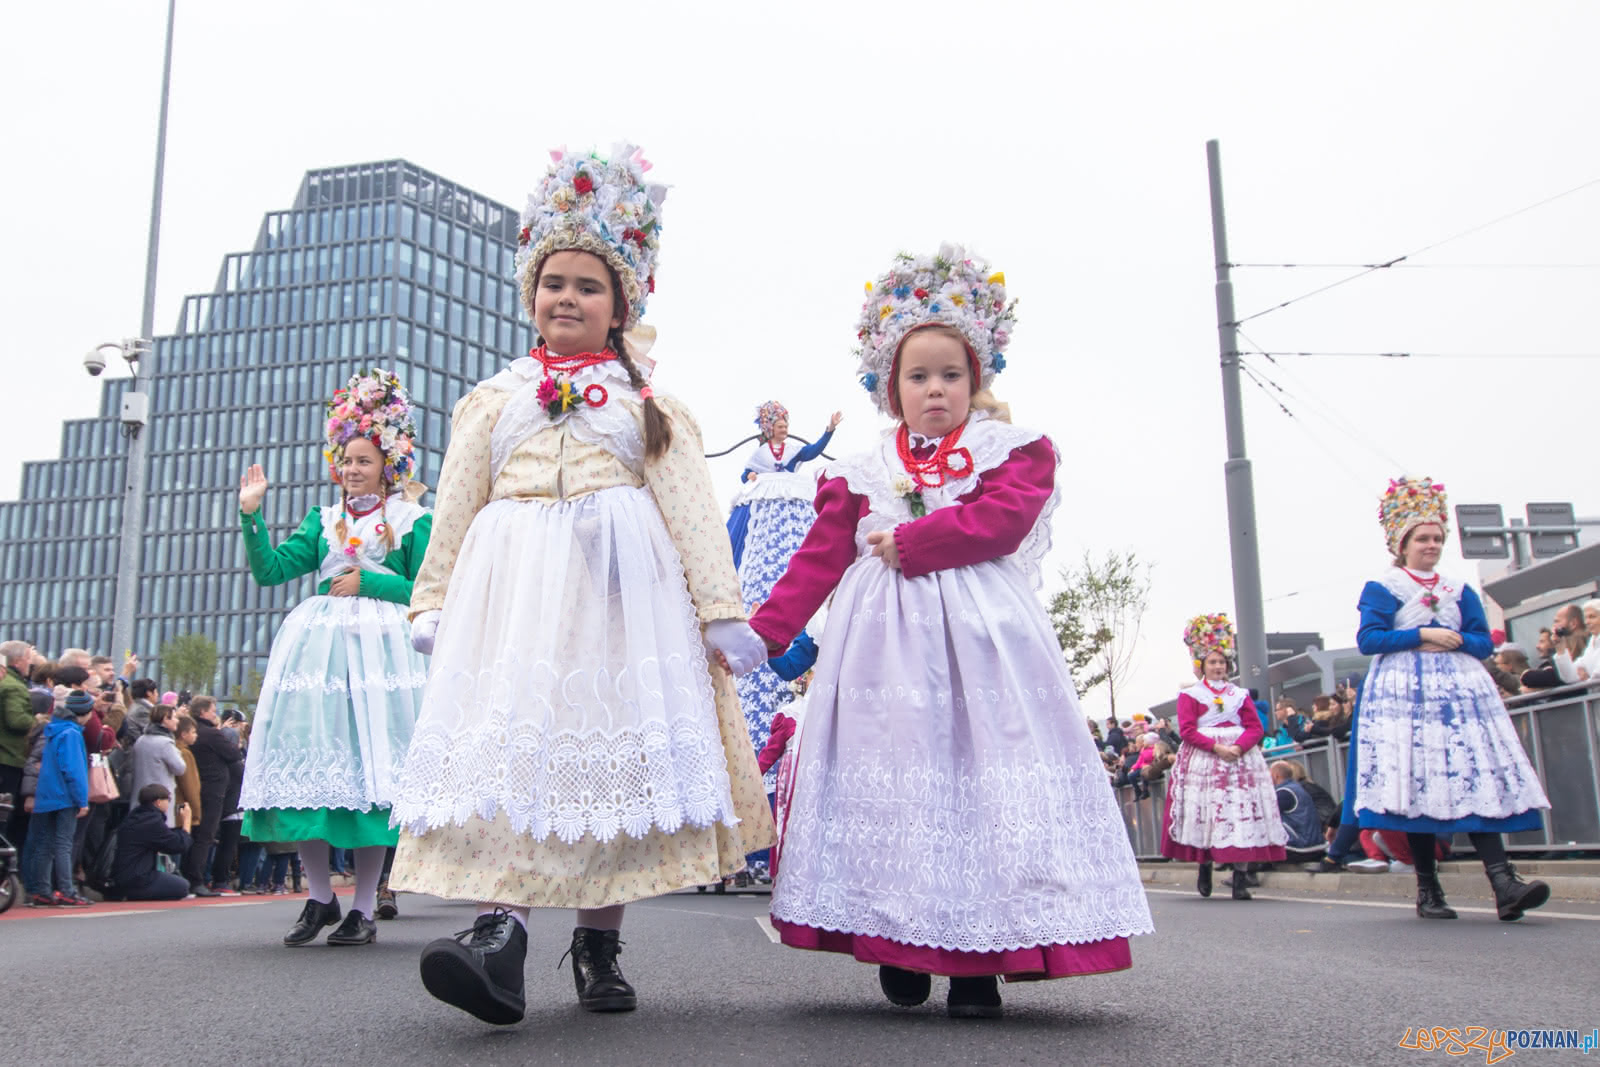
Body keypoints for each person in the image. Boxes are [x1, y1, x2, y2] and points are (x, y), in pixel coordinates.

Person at [387, 145, 774, 1025]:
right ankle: (500, 932)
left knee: (608, 773)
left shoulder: (651, 407)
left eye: (588, 286)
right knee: (511, 752)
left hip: (616, 615)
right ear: (531, 294)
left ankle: (598, 944)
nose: (567, 297)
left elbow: (690, 510)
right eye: (553, 281)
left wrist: (718, 612)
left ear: (620, 304)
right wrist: (432, 597)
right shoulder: (492, 399)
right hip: (512, 607)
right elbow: (456, 502)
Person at [748, 244, 1152, 1020]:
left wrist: (917, 545)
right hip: (882, 660)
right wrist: (761, 634)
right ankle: (895, 940)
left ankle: (978, 966)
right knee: (896, 797)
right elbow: (818, 558)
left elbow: (1004, 521)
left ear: (977, 380)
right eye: (918, 376)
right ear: (889, 386)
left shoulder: (1013, 451)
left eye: (951, 375)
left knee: (981, 792)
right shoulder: (859, 470)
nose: (935, 390)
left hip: (983, 652)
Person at [235, 369, 433, 947]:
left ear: (389, 467)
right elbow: (272, 570)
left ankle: (365, 907)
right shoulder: (322, 520)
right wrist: (251, 515)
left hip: (383, 659)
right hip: (317, 656)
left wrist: (370, 584)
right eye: (346, 460)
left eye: (365, 460)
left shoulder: (413, 520)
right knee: (314, 766)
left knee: (372, 775)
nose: (352, 470)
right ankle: (320, 898)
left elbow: (429, 588)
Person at [1346, 477, 1551, 921]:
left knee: (1473, 779)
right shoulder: (1385, 586)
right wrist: (1421, 633)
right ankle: (1428, 888)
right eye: (1423, 537)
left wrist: (1453, 640)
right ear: (1402, 542)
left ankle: (1503, 882)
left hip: (1460, 695)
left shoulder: (1459, 589)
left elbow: (1481, 641)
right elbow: (1369, 639)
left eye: (1438, 537)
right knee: (1421, 787)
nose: (1432, 544)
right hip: (1406, 695)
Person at [1159, 614, 1287, 900]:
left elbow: (1256, 726)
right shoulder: (1190, 695)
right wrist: (1217, 748)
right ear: (1202, 665)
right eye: (1212, 662)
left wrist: (1239, 748)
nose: (1218, 667)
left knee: (1239, 815)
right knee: (1208, 813)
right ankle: (1205, 863)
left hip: (1240, 761)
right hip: (1206, 759)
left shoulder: (1239, 695)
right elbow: (1189, 730)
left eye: (1221, 663)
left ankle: (1240, 876)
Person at [725, 401, 842, 570]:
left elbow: (813, 451)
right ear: (770, 428)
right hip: (764, 497)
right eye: (780, 426)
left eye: (786, 426)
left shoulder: (792, 450)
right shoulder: (761, 453)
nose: (784, 430)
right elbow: (746, 474)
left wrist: (829, 430)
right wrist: (749, 475)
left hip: (791, 494)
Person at [25, 689, 94, 906]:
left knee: (44, 843)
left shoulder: (52, 729)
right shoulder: (72, 734)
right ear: (85, 712)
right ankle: (66, 890)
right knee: (64, 843)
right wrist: (82, 799)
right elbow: (73, 770)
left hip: (46, 793)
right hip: (65, 796)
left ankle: (41, 890)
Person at [182, 697, 241, 897]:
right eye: (213, 710)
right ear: (202, 712)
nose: (215, 714)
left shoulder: (195, 732)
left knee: (195, 833)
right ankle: (196, 879)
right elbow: (233, 754)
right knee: (205, 835)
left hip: (197, 787)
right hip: (212, 790)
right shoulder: (211, 734)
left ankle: (191, 877)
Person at [106, 784, 193, 901]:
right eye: (168, 799)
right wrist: (186, 822)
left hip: (122, 875)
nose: (169, 803)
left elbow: (166, 837)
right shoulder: (152, 821)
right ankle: (135, 894)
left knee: (173, 881)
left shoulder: (136, 816)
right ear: (158, 802)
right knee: (183, 886)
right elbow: (178, 845)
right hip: (139, 879)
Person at [1, 641, 37, 846]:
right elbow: (16, 720)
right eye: (28, 659)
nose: (30, 664)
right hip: (9, 759)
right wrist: (39, 721)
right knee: (4, 815)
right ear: (18, 660)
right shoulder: (14, 687)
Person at [129, 705, 187, 827]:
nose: (177, 720)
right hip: (161, 796)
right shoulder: (165, 743)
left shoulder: (141, 740)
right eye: (175, 717)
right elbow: (180, 768)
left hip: (140, 794)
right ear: (166, 719)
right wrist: (178, 752)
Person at [1269, 761, 1326, 863]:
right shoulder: (1297, 788)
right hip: (1314, 845)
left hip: (1300, 848)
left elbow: (1264, 815)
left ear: (1275, 775)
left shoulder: (1284, 793)